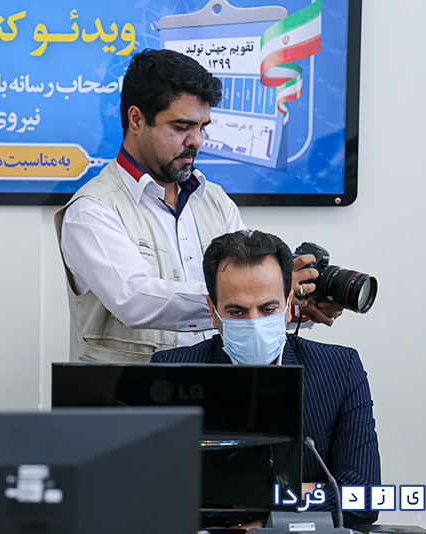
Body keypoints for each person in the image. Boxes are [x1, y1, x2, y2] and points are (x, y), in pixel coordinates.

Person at [55, 48, 339, 362]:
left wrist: (293, 305)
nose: (197, 141)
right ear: (136, 119)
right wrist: (264, 290)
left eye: (202, 127)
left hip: (211, 386)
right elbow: (134, 301)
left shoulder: (215, 201)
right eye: (182, 127)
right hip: (127, 390)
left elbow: (247, 302)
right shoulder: (92, 209)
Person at [151, 230, 380, 528]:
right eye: (237, 311)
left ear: (288, 304)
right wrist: (303, 493)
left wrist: (266, 518)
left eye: (268, 309)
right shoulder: (170, 372)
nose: (254, 323)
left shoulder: (339, 369)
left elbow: (365, 497)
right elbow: (158, 495)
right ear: (213, 311)